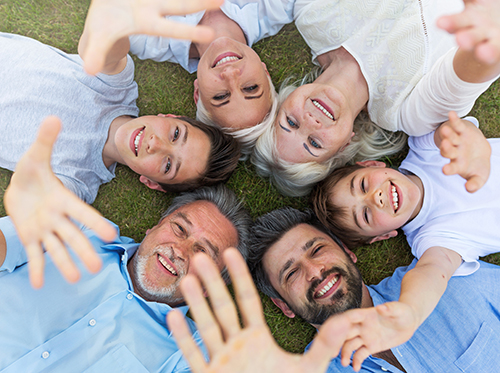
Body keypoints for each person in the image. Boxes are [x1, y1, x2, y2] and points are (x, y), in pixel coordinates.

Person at [0, 117, 252, 371]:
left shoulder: (192, 355)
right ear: (154, 228)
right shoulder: (83, 228)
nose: (179, 250)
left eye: (203, 253)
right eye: (179, 229)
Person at [0, 0, 241, 204]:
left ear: (151, 183)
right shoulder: (115, 86)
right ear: (169, 117)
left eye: (168, 165)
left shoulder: (79, 182)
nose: (155, 144)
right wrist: (114, 24)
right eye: (176, 134)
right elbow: (101, 48)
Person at [252, 0, 500, 196]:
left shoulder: (311, 15)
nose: (310, 122)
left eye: (291, 123)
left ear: (283, 100)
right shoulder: (405, 112)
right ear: (345, 146)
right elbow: (467, 75)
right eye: (315, 143)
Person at [245, 207, 500, 372]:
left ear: (347, 252)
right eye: (291, 273)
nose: (314, 271)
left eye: (317, 250)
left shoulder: (449, 279)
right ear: (284, 306)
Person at [127, 0, 295, 151]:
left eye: (221, 96)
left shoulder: (144, 37)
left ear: (198, 93)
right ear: (265, 73)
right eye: (250, 88)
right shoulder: (278, 7)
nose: (230, 73)